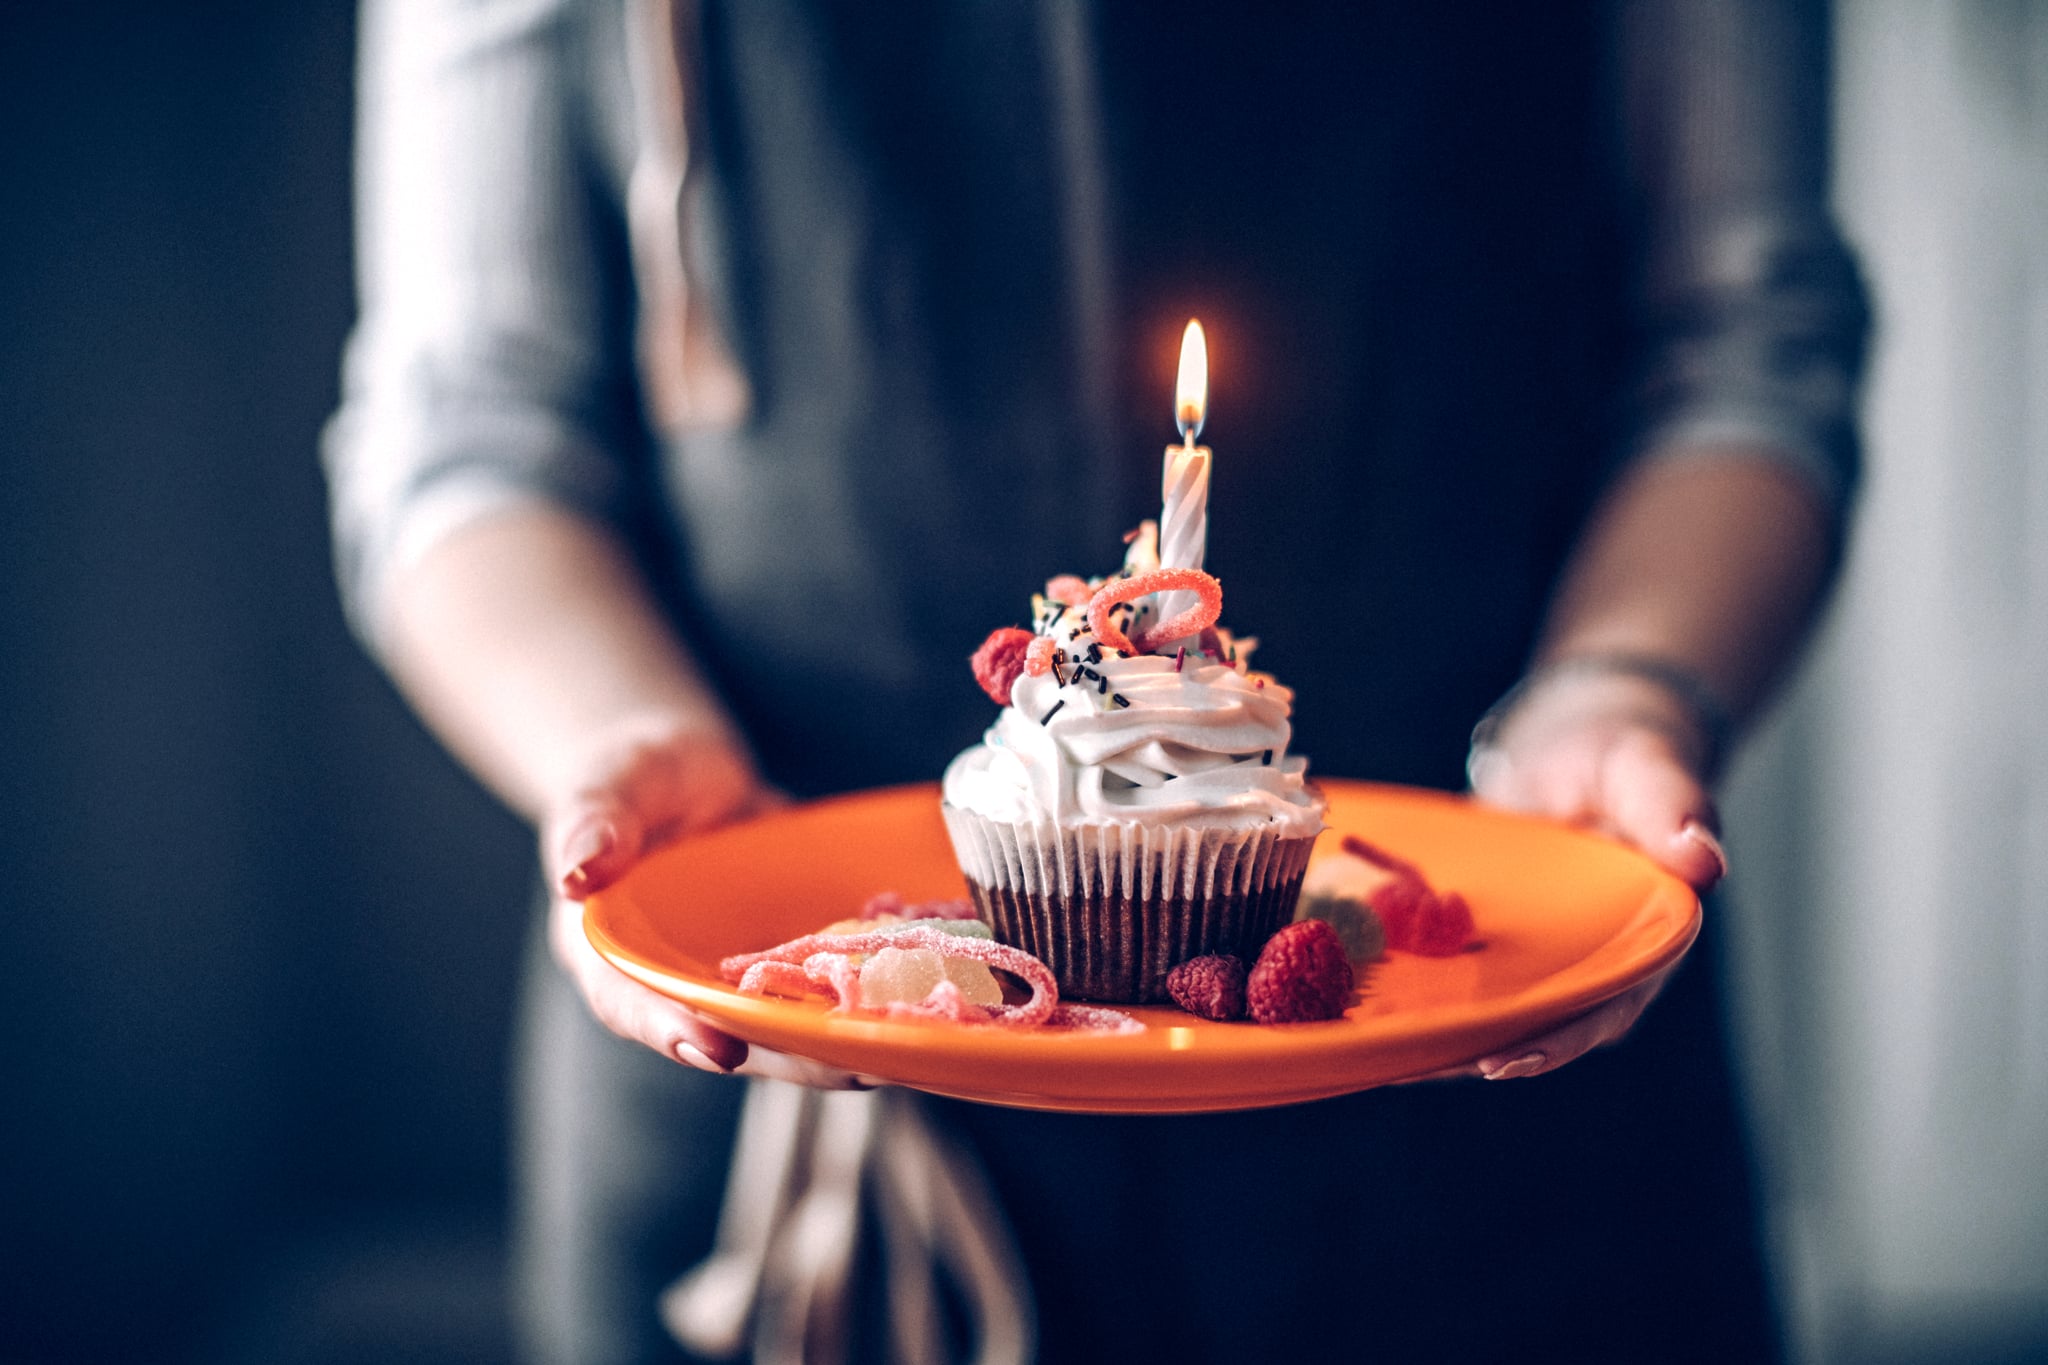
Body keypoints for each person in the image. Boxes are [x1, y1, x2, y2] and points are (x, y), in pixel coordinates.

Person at [325, 1, 1868, 1360]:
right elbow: (468, 425)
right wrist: (621, 737)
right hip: (788, 1006)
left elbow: (1744, 336)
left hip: (1495, 1057)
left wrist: (1624, 686)